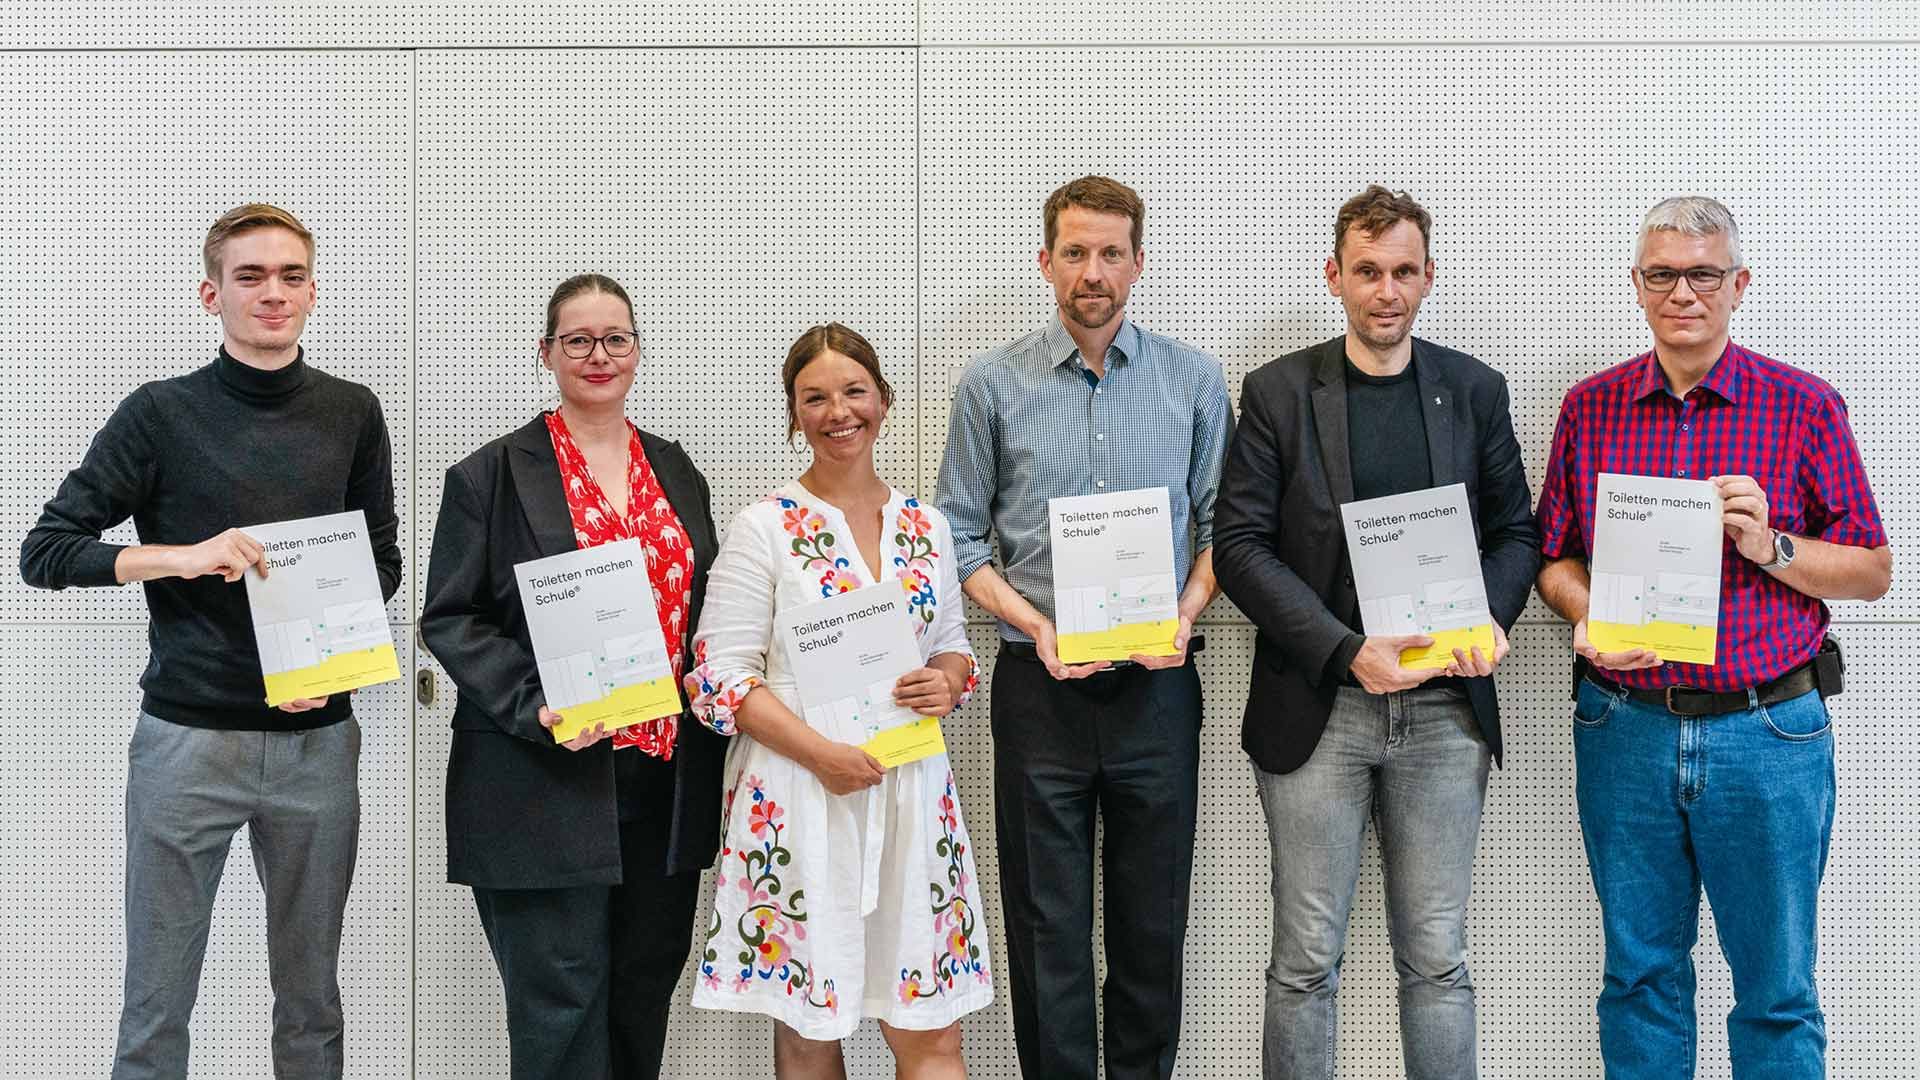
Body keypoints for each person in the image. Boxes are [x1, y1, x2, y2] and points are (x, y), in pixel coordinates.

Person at [19, 204, 400, 1080]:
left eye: (291, 276)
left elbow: (377, 562)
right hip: (187, 744)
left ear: (313, 290)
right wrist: (184, 558)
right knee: (157, 1006)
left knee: (313, 1006)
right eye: (251, 276)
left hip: (317, 742)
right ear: (211, 292)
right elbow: (47, 550)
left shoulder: (351, 412)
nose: (274, 293)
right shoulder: (159, 414)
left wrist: (328, 663)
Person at [1534, 197, 1890, 1079]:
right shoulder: (1591, 409)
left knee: (1776, 991)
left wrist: (1772, 546)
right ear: (1638, 285)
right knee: (1640, 980)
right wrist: (1588, 617)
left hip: (1767, 731)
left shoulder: (1801, 405)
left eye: (1702, 274)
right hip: (1626, 725)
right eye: (1663, 274)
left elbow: (1873, 570)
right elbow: (1552, 561)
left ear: (1739, 284)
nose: (1682, 292)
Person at [1212, 186, 1539, 1080]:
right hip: (1322, 707)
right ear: (1335, 277)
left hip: (1443, 715)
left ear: (1429, 277)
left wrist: (1487, 618)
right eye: (1367, 271)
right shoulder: (1279, 393)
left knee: (1437, 960)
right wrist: (1345, 646)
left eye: (1403, 271)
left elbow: (1519, 532)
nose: (1385, 290)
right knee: (1305, 961)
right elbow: (1238, 546)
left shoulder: (1473, 390)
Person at [934, 175, 1233, 1080]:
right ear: (1045, 261)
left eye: (1110, 252)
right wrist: (1036, 623)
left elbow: (1224, 529)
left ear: (1138, 262)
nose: (1092, 271)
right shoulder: (990, 385)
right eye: (1075, 252)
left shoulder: (1193, 379)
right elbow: (958, 533)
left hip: (1156, 683)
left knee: (1151, 922)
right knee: (1046, 924)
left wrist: (1183, 617)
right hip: (1040, 684)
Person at [420, 273, 726, 1080]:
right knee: (560, 1009)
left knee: (640, 993)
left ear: (638, 352)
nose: (599, 355)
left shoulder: (676, 469)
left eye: (616, 339)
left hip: (664, 784)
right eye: (578, 340)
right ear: (546, 353)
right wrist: (537, 703)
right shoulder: (488, 476)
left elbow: (704, 605)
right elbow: (451, 617)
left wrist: (715, 672)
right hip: (544, 778)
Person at [685, 323, 989, 1079]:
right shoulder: (763, 528)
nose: (837, 411)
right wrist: (819, 755)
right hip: (798, 791)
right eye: (814, 398)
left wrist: (947, 678)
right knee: (809, 1032)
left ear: (883, 400)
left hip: (910, 793)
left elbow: (953, 642)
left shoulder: (928, 526)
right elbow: (720, 676)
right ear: (794, 416)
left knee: (930, 1030)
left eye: (853, 391)